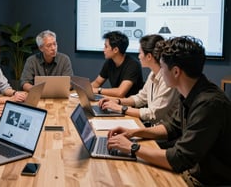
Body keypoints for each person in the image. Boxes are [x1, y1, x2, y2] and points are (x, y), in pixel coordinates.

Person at [106, 36, 231, 186]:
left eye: (163, 67)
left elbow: (179, 158)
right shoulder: (191, 91)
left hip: (204, 180)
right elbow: (171, 127)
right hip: (191, 171)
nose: (160, 72)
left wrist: (132, 147)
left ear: (176, 72)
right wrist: (133, 133)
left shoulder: (209, 104)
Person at [98, 34, 180, 125]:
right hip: (155, 128)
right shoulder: (153, 74)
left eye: (140, 53)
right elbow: (140, 98)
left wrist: (120, 108)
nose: (138, 56)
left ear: (149, 56)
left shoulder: (167, 80)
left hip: (165, 134)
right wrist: (118, 101)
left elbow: (153, 114)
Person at [91, 31, 143, 98]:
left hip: (130, 104)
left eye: (106, 47)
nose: (103, 49)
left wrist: (98, 90)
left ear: (115, 50)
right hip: (117, 101)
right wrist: (85, 90)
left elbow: (120, 92)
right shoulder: (110, 62)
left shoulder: (133, 65)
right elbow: (97, 83)